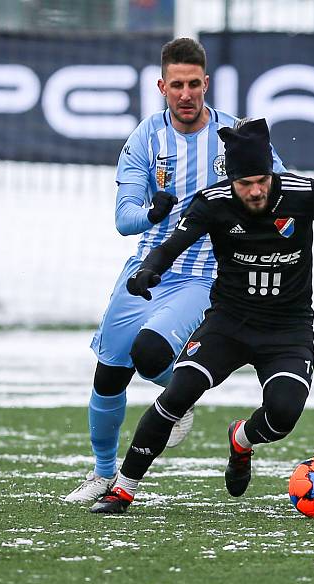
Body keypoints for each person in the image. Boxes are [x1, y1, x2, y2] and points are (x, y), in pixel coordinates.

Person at [89, 118, 314, 514]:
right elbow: (174, 243)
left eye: (261, 181)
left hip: (287, 330)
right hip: (228, 324)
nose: (254, 191)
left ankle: (241, 439)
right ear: (231, 180)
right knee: (177, 394)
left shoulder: (303, 193)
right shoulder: (213, 201)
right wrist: (150, 269)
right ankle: (124, 489)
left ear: (271, 174)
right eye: (245, 183)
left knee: (283, 415)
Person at [63, 38, 285, 503]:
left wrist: (278, 231)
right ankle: (102, 474)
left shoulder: (235, 136)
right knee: (108, 374)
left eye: (194, 84)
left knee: (150, 351)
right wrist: (152, 212)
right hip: (149, 269)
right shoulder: (146, 137)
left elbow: (278, 186)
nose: (186, 94)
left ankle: (176, 398)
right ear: (162, 86)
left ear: (206, 83)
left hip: (207, 274)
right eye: (176, 85)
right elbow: (124, 218)